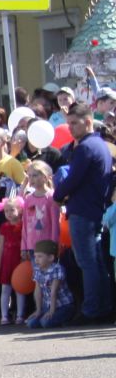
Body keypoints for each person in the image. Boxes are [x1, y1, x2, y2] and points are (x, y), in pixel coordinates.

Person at [52, 104, 112, 321]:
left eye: (74, 123)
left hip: (84, 211)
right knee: (95, 262)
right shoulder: (99, 145)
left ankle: (92, 309)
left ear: (88, 121)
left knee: (88, 263)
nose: (70, 128)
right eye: (68, 123)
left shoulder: (86, 147)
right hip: (93, 210)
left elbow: (72, 180)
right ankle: (103, 307)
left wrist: (57, 196)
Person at [27, 240, 71, 328]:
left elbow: (54, 291)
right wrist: (38, 310)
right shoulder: (37, 270)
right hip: (47, 306)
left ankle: (65, 319)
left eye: (40, 256)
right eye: (35, 256)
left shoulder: (57, 268)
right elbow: (37, 291)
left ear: (51, 257)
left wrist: (52, 310)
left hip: (63, 306)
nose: (36, 259)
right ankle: (46, 315)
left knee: (45, 323)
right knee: (31, 323)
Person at [0, 196, 28, 325]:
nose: (9, 214)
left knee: (19, 288)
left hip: (19, 260)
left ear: (20, 210)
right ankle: (4, 315)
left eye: (12, 210)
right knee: (5, 289)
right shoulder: (3, 227)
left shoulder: (24, 225)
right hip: (7, 260)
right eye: (6, 211)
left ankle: (20, 315)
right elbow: (1, 245)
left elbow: (26, 242)